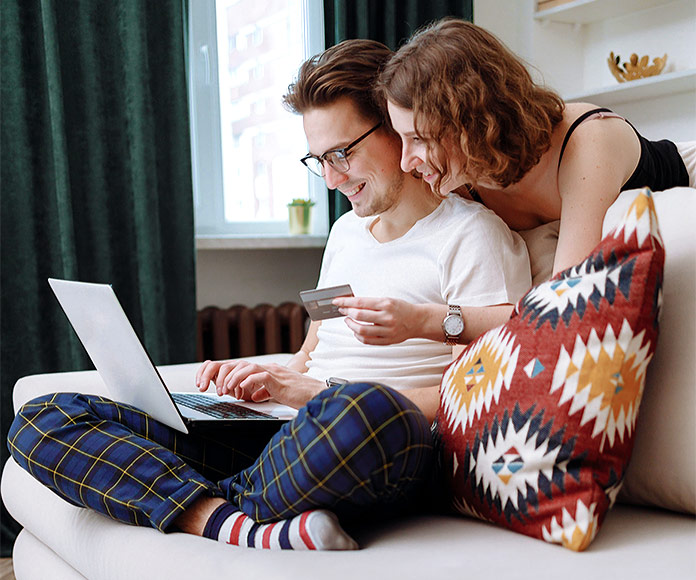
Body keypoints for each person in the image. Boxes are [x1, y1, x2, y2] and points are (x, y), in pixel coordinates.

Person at [8, 39, 531, 553]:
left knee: (365, 408)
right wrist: (264, 383)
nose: (331, 179)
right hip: (288, 437)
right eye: (318, 160)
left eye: (342, 153)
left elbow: (474, 396)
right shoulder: (347, 232)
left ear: (398, 127)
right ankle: (229, 521)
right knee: (43, 417)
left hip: (379, 441)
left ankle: (186, 493)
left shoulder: (471, 236)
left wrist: (311, 394)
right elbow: (312, 350)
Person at [332, 17, 694, 348]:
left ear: (471, 120)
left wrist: (426, 318)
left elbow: (564, 307)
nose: (406, 160)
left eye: (419, 139)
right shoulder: (458, 175)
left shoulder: (586, 144)